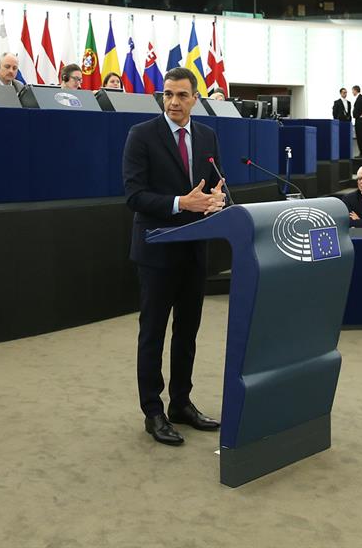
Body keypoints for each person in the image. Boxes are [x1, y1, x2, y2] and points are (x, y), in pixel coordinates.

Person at [122, 66, 226, 446]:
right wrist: (183, 201)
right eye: (168, 94)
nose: (174, 102)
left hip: (195, 250)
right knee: (153, 333)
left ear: (195, 98)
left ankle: (181, 403)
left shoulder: (208, 135)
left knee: (187, 333)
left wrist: (217, 201)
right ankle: (153, 411)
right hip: (156, 251)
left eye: (182, 95)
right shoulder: (141, 135)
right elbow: (134, 196)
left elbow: (216, 185)